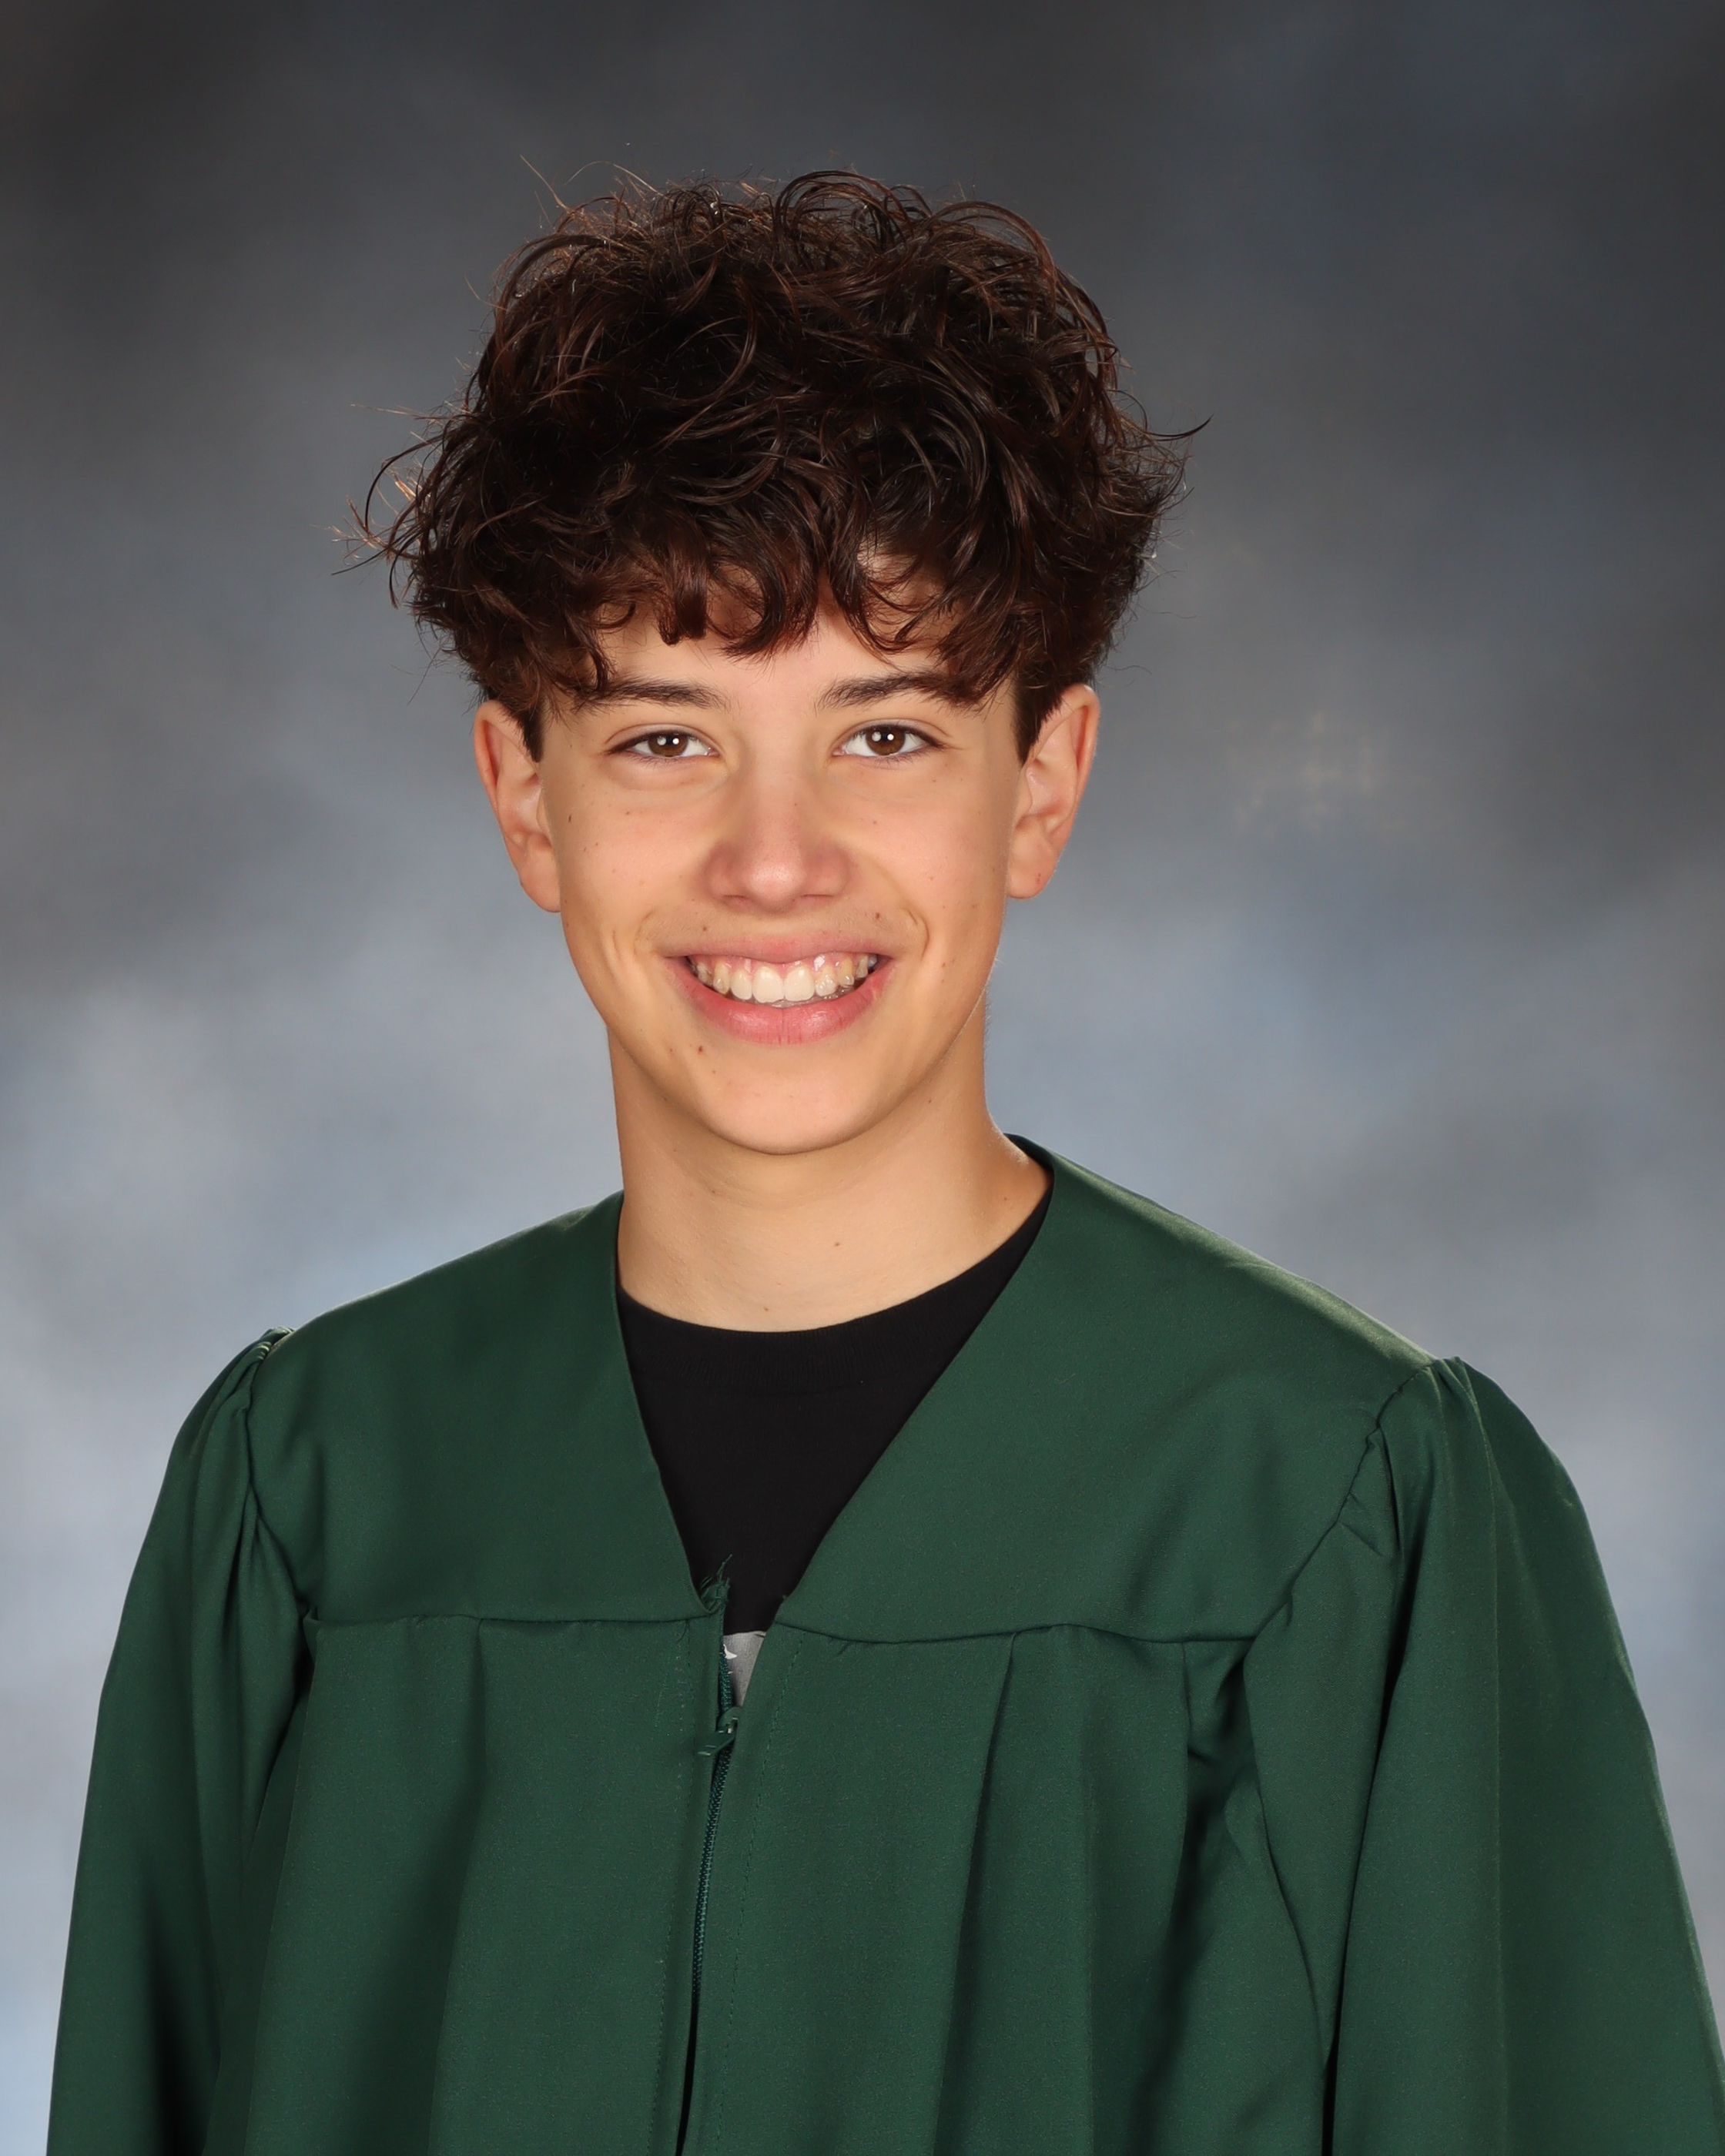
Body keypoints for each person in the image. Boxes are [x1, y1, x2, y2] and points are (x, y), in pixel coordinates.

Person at [47, 174, 1724, 2156]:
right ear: (523, 796)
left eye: (888, 736)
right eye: (665, 739)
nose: (776, 864)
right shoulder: (312, 1501)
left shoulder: (1339, 1515)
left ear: (1043, 783)